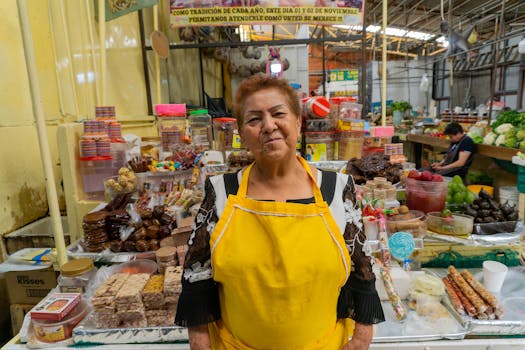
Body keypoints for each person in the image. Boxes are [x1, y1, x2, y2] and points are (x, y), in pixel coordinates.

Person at [175, 74, 385, 349]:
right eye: (254, 119)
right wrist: (200, 343)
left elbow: (361, 267)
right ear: (241, 134)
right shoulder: (222, 192)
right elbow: (196, 274)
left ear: (298, 122)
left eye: (278, 114)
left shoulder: (336, 188)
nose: (268, 126)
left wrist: (361, 337)